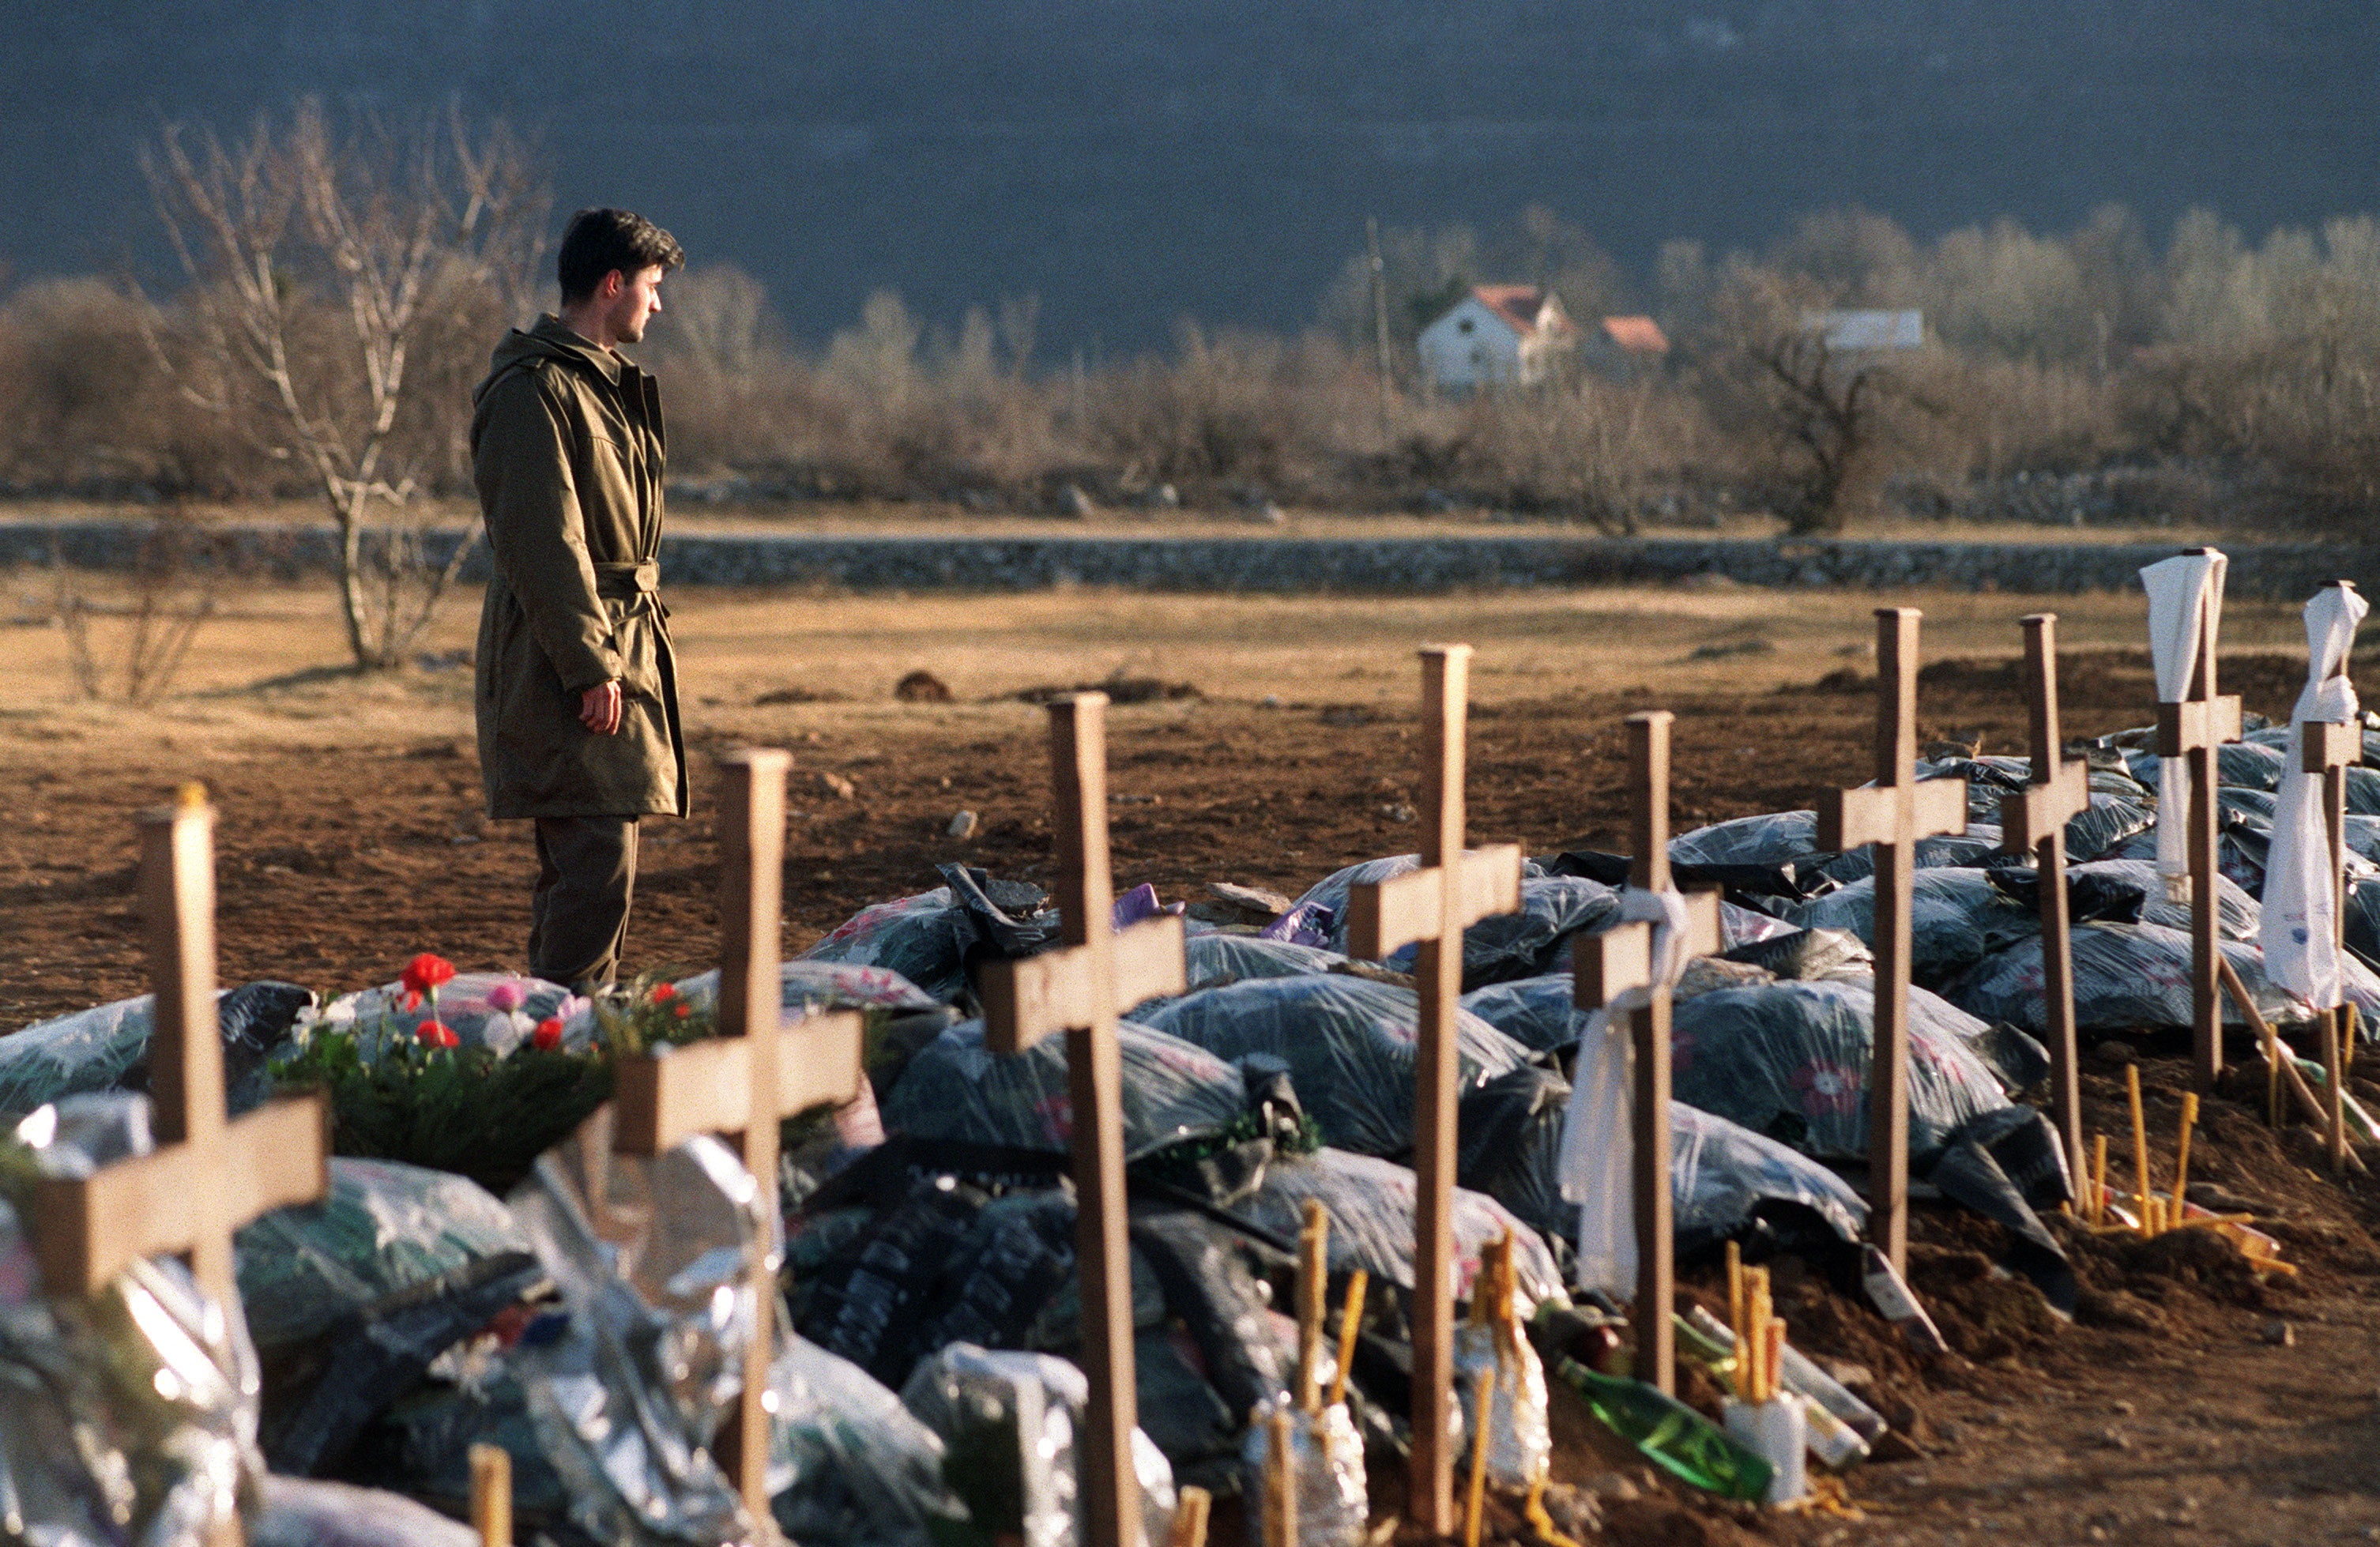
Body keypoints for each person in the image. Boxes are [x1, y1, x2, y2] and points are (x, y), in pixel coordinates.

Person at [470, 208, 687, 991]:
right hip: (570, 658)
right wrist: (590, 664)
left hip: (612, 644)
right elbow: (542, 540)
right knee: (594, 859)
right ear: (611, 283)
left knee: (601, 855)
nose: (657, 305)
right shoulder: (534, 392)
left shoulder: (598, 388)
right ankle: (562, 1043)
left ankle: (572, 1029)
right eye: (651, 287)